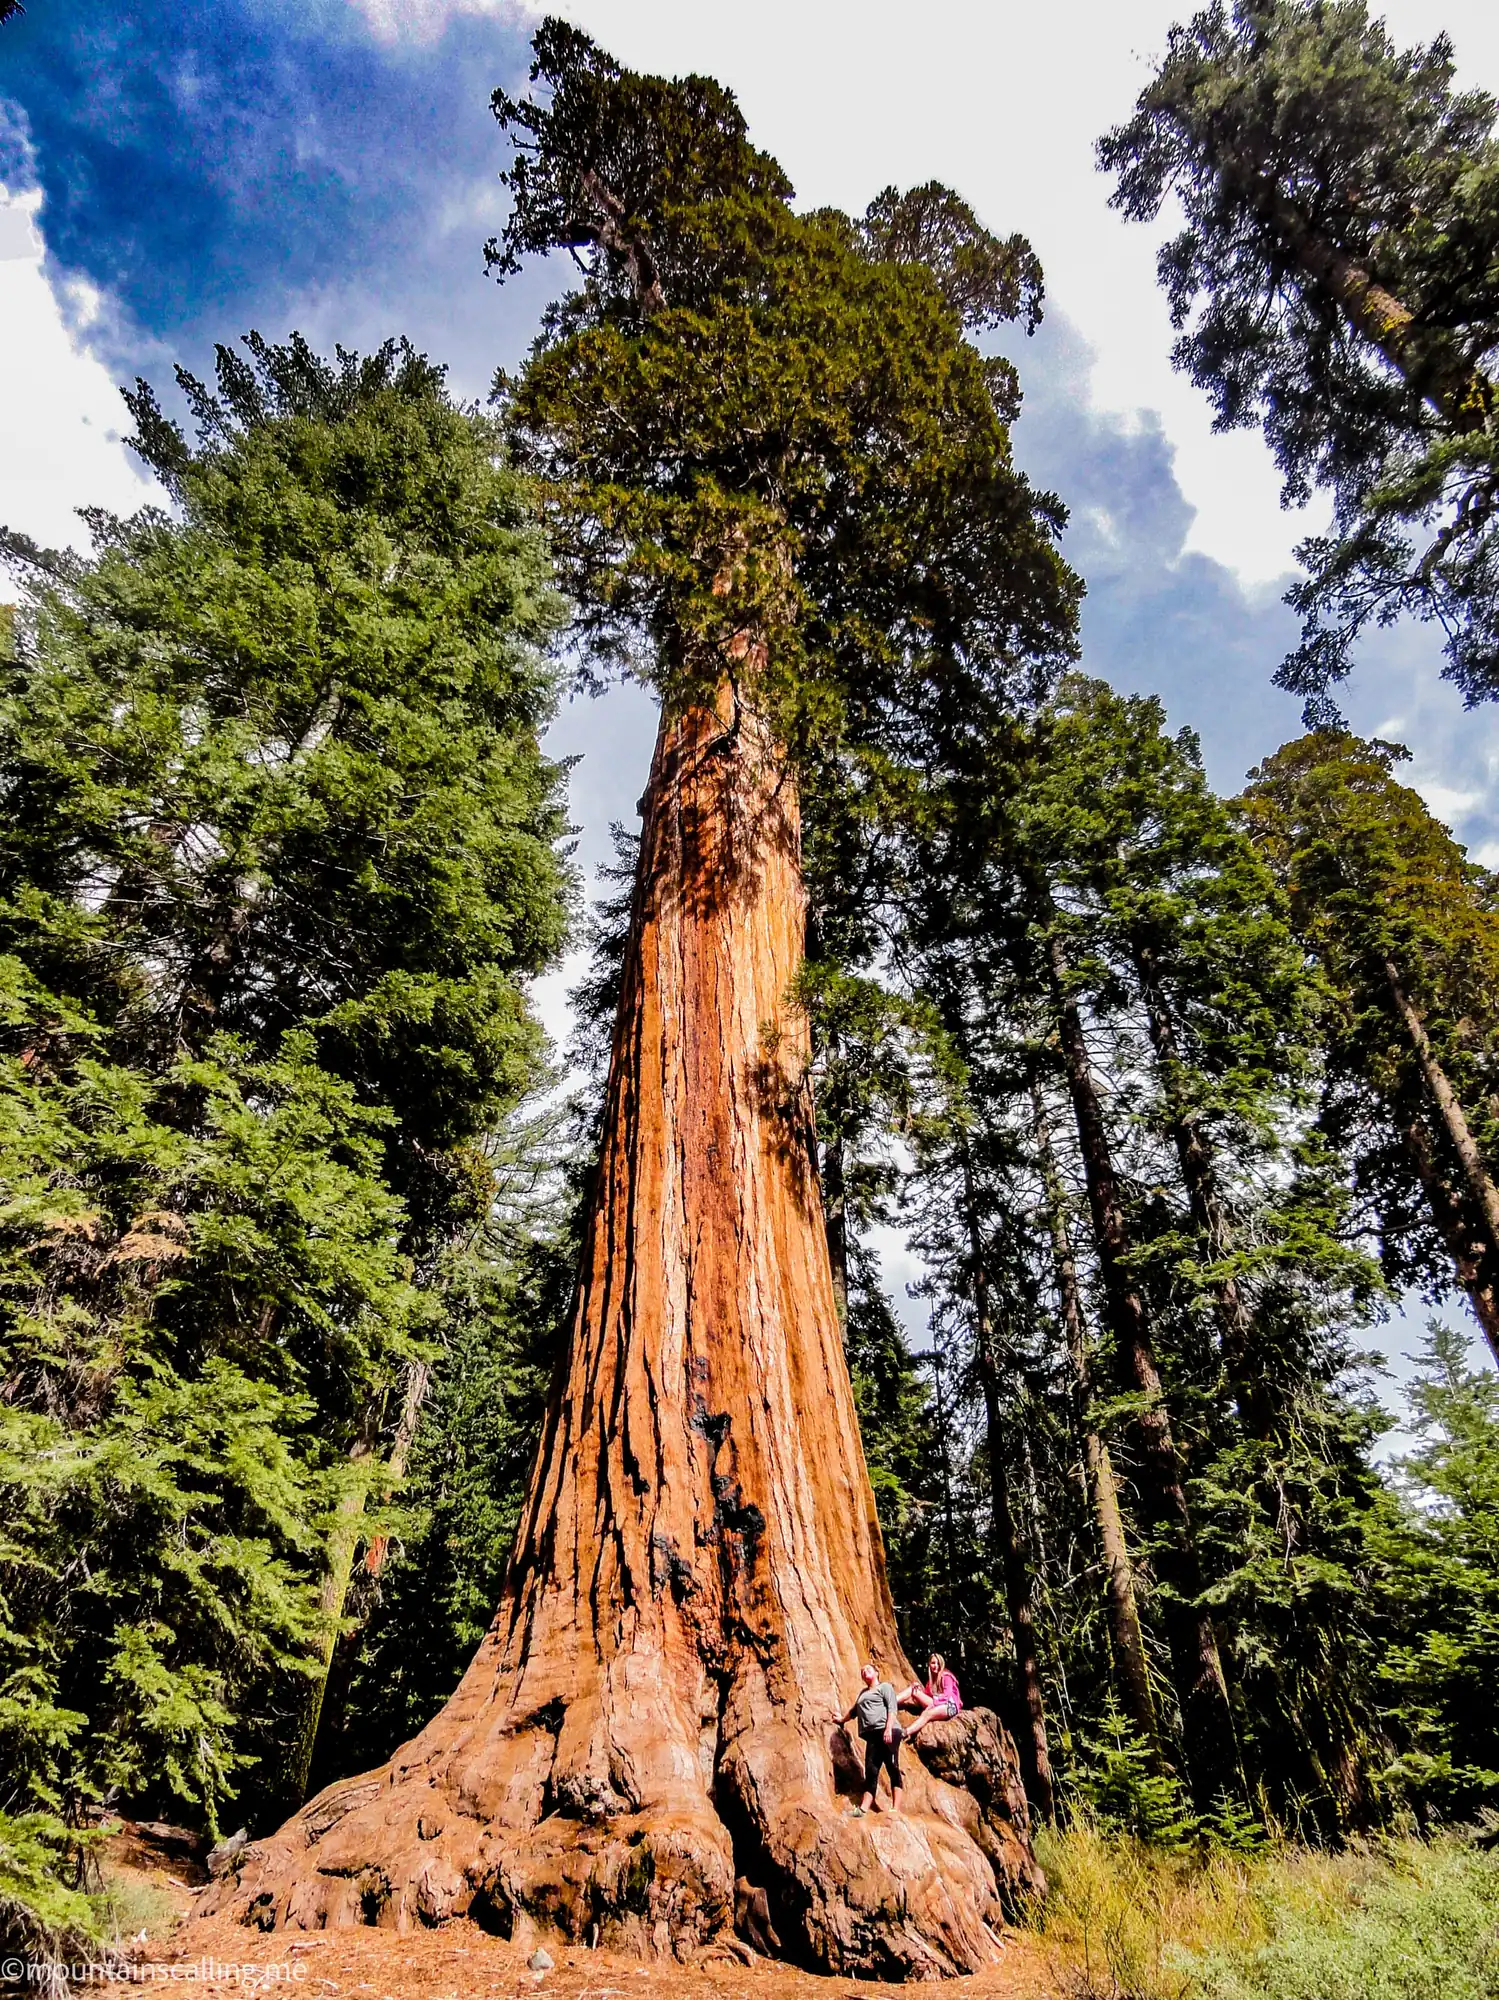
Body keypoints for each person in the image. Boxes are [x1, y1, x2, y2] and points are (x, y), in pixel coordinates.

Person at [834, 1663, 903, 1817]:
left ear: (877, 1672)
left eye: (868, 1669)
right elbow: (854, 1711)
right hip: (872, 1735)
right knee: (871, 1771)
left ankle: (895, 1808)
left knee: (892, 1766)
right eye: (862, 1671)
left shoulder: (885, 1687)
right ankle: (863, 1809)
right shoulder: (863, 1693)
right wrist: (841, 1720)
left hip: (888, 1731)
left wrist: (888, 1728)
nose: (865, 1672)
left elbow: (892, 1708)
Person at [899, 1653, 962, 1740]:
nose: (936, 1666)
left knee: (927, 1713)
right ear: (929, 1664)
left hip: (949, 1705)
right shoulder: (931, 1681)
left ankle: (905, 1732)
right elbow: (927, 1695)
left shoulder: (946, 1676)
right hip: (937, 1703)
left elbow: (947, 1696)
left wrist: (933, 1704)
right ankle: (892, 1700)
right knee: (914, 1689)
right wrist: (918, 1688)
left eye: (938, 1663)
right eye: (933, 1663)